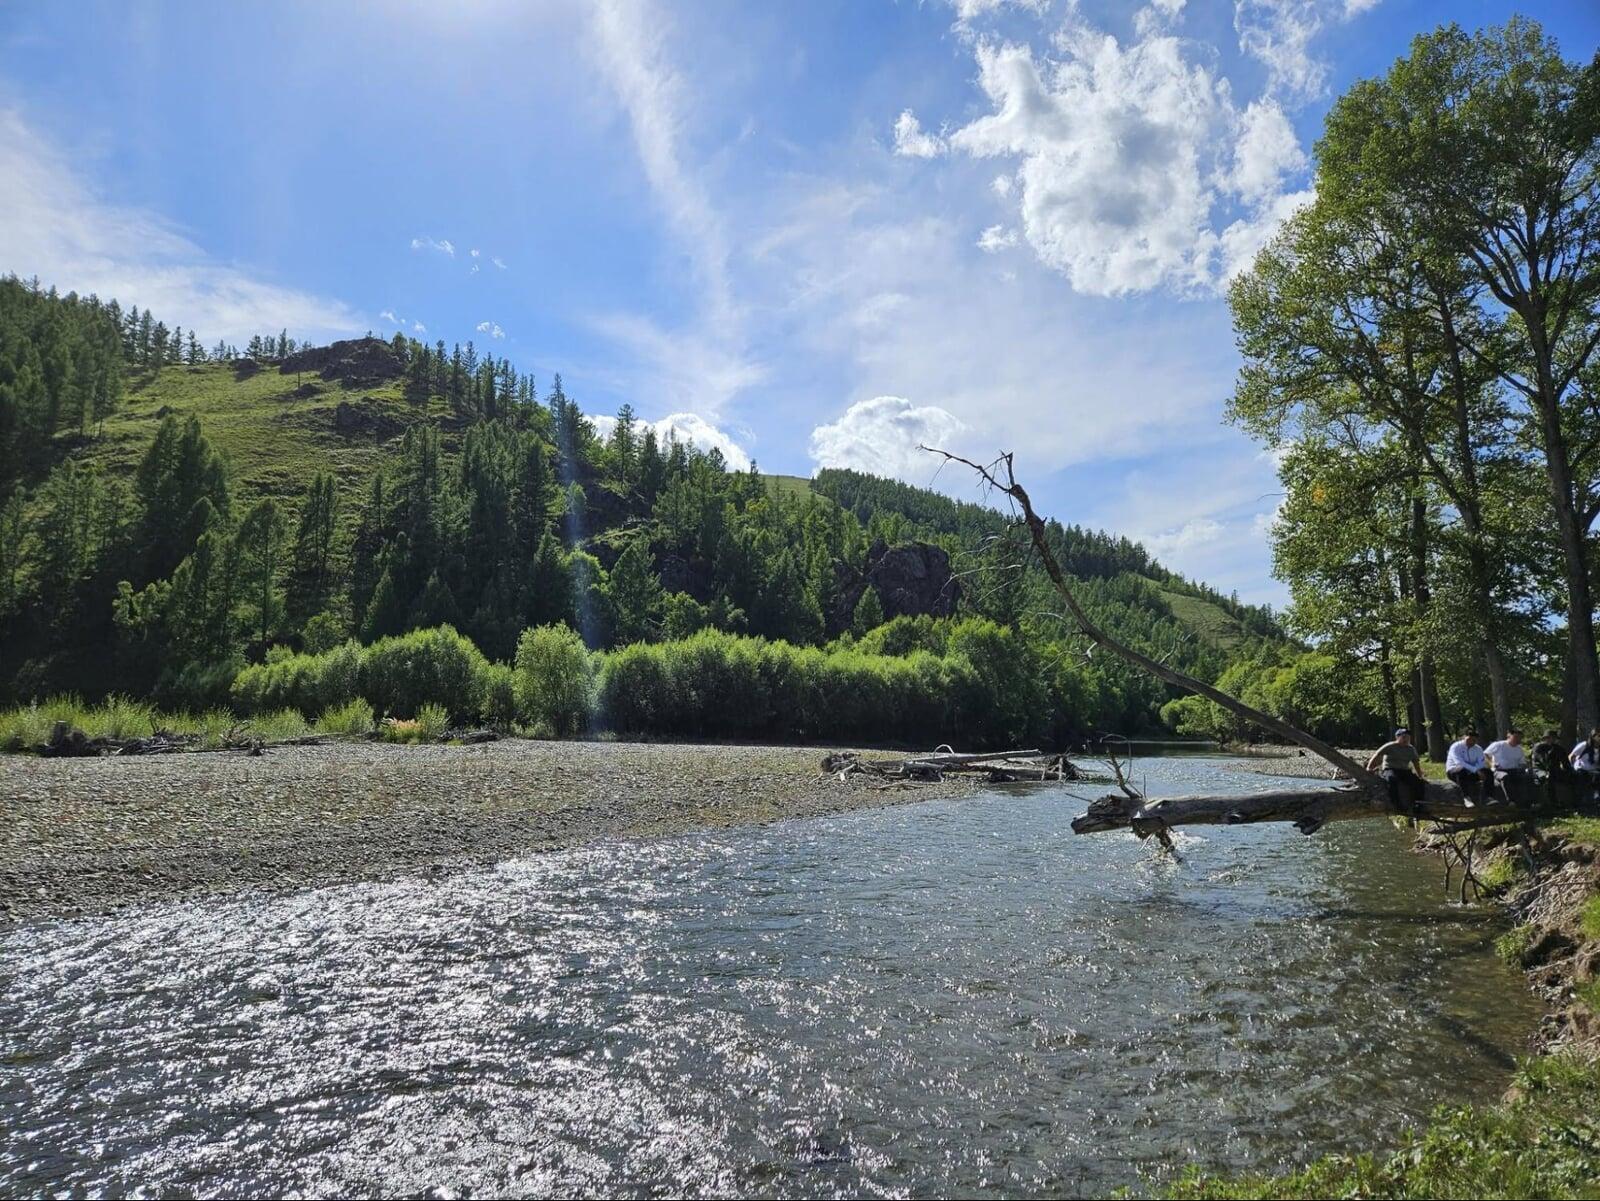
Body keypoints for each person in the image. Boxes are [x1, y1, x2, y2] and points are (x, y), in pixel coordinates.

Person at [1366, 728, 1425, 817]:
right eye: (1404, 737)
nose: (1406, 740)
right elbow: (1377, 755)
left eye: (1408, 738)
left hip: (1404, 770)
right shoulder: (1390, 746)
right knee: (1392, 780)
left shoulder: (1411, 749)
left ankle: (1418, 805)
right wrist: (1369, 768)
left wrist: (1420, 775)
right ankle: (1396, 805)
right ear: (1397, 737)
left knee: (1418, 783)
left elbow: (1416, 763)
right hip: (1390, 769)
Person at [1484, 728, 1531, 805]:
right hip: (1499, 770)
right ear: (1509, 736)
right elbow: (1485, 754)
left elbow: (1522, 763)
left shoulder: (1519, 749)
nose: (1518, 739)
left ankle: (1528, 802)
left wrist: (1524, 767)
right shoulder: (1499, 745)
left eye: (1519, 737)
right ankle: (1510, 801)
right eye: (1516, 737)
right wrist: (1491, 763)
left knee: (1526, 777)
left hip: (1514, 770)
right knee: (1505, 777)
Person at [1445, 728, 1493, 803]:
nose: (1471, 742)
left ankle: (1488, 797)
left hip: (1471, 773)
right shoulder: (1456, 747)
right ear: (1464, 737)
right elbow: (1459, 763)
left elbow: (1481, 763)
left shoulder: (1478, 749)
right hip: (1454, 771)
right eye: (1469, 739)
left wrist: (1479, 770)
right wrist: (1476, 770)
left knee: (1488, 772)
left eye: (1474, 740)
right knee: (1461, 770)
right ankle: (1466, 798)